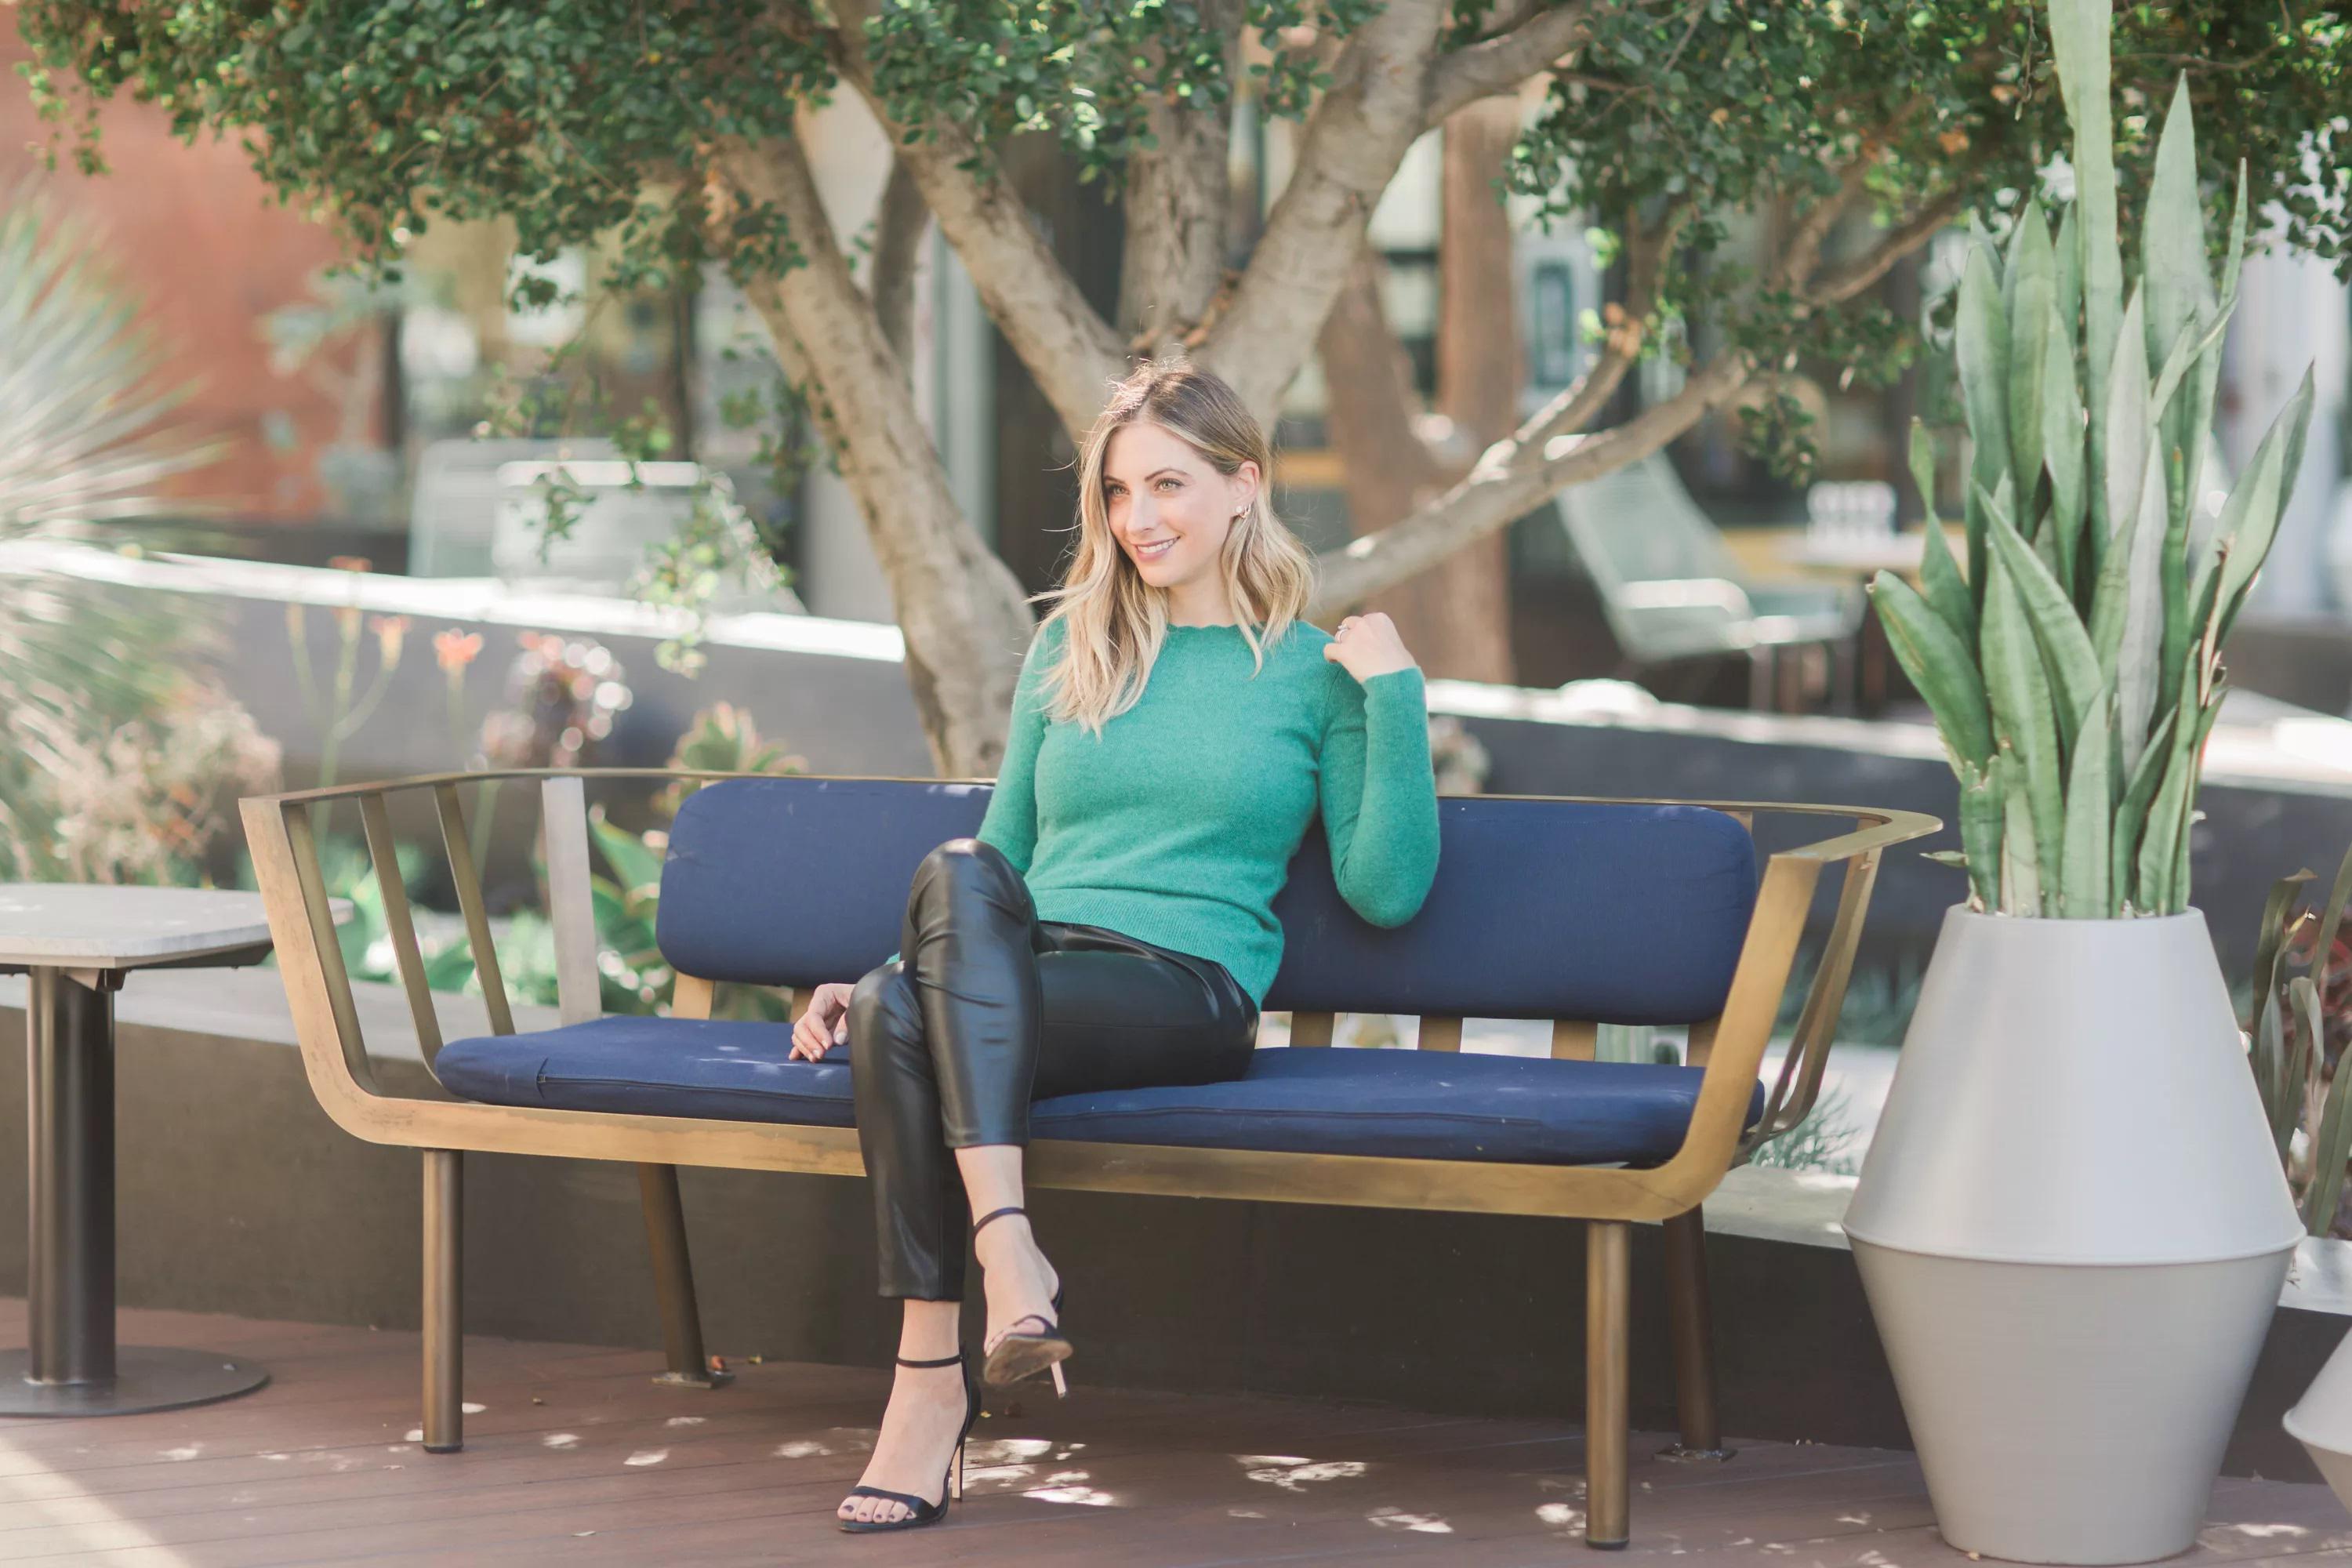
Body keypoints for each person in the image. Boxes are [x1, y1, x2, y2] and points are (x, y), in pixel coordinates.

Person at [789, 358, 1442, 1532]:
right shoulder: (1070, 650)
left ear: (1244, 485)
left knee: (906, 1014)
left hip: (1184, 987)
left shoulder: (1313, 672)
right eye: (1118, 491)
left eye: (1169, 485)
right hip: (1032, 969)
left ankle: (947, 1358)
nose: (1138, 518)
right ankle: (987, 1297)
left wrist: (1393, 692)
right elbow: (1001, 859)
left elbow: (1386, 891)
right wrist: (880, 973)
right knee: (920, 940)